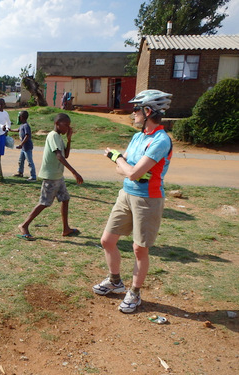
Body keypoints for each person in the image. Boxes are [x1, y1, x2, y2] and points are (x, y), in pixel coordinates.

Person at [92, 89, 173, 314]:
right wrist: (128, 168)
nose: (133, 113)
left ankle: (135, 293)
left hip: (148, 199)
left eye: (136, 109)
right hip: (126, 194)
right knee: (107, 240)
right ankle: (115, 281)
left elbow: (130, 170)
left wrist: (118, 159)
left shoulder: (161, 140)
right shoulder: (138, 136)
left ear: (148, 111)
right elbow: (127, 171)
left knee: (139, 249)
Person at [18, 113, 84, 240]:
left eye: (69, 126)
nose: (68, 128)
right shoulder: (53, 136)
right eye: (66, 125)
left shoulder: (59, 137)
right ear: (57, 124)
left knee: (65, 199)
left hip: (58, 175)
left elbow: (66, 155)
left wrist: (69, 140)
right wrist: (74, 172)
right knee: (44, 203)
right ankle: (24, 225)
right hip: (51, 176)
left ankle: (66, 229)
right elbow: (59, 156)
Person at [9, 110, 36, 181]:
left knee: (30, 162)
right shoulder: (22, 125)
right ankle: (20, 172)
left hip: (27, 147)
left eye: (19, 116)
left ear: (22, 117)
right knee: (21, 160)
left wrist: (21, 144)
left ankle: (33, 176)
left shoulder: (26, 126)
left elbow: (27, 136)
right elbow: (18, 130)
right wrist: (11, 130)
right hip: (23, 148)